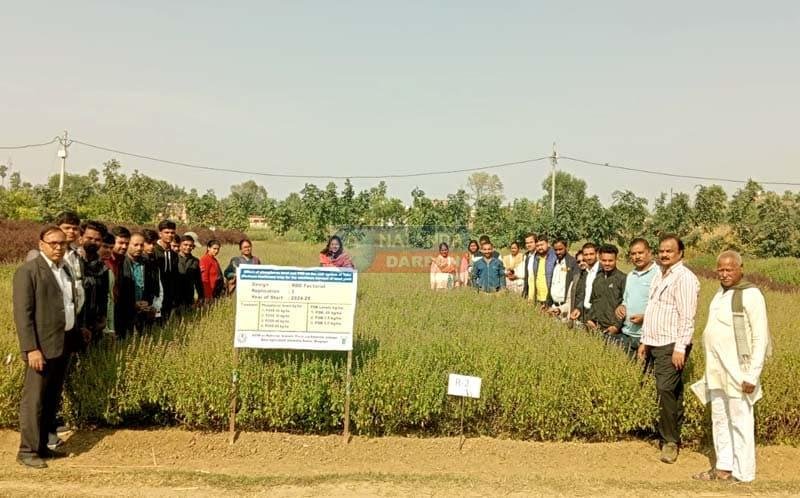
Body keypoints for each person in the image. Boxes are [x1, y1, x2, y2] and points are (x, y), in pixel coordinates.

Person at [692, 250, 770, 483]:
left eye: (729, 270)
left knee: (740, 420)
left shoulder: (751, 294)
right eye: (721, 270)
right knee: (719, 418)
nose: (724, 274)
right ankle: (723, 467)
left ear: (741, 269)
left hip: (739, 371)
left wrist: (752, 375)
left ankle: (744, 473)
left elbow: (760, 337)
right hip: (716, 370)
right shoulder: (720, 293)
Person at [13, 226, 77, 468]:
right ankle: (27, 451)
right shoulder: (28, 272)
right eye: (53, 243)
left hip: (62, 344)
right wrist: (31, 349)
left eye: (62, 243)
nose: (59, 247)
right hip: (40, 348)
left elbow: (67, 304)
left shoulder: (65, 270)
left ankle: (41, 446)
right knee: (34, 400)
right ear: (41, 244)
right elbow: (23, 315)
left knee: (50, 399)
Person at [637, 234, 700, 464]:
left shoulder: (684, 278)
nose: (664, 254)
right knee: (670, 391)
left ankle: (670, 442)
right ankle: (669, 433)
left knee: (666, 390)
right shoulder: (660, 275)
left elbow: (687, 317)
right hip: (655, 341)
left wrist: (680, 348)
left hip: (671, 343)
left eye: (669, 251)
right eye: (662, 251)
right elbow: (652, 309)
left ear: (680, 253)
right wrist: (645, 340)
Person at [613, 239, 657, 358]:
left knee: (647, 373)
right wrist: (621, 307)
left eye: (640, 253)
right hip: (627, 334)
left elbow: (662, 307)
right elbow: (626, 300)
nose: (637, 256)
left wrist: (645, 318)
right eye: (633, 254)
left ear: (649, 253)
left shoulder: (658, 274)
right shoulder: (631, 276)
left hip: (647, 337)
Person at [77, 220, 110, 344]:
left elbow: (104, 295)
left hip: (93, 323)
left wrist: (103, 317)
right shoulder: (72, 262)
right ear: (80, 238)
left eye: (97, 240)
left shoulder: (102, 267)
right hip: (75, 323)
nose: (93, 242)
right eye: (89, 238)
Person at [120, 232, 159, 332]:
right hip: (125, 311)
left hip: (144, 309)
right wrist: (132, 303)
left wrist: (148, 303)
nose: (139, 248)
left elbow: (151, 285)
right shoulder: (121, 262)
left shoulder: (147, 263)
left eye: (141, 245)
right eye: (135, 245)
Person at [585, 244, 627, 336]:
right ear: (600, 259)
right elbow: (593, 301)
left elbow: (625, 305)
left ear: (616, 260)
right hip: (595, 327)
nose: (607, 263)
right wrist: (589, 319)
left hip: (613, 330)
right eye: (604, 260)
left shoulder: (622, 279)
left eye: (610, 260)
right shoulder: (598, 278)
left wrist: (616, 326)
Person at [104, 226, 132, 337]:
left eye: (127, 243)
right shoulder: (106, 261)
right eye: (120, 243)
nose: (124, 247)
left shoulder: (122, 260)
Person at [547, 239, 579, 320]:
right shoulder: (555, 263)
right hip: (554, 307)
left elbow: (575, 285)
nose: (558, 252)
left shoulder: (572, 263)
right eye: (556, 250)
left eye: (560, 249)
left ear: (566, 248)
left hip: (565, 309)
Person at [153, 220, 179, 320]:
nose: (170, 235)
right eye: (166, 232)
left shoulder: (174, 254)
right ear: (160, 233)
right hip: (156, 293)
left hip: (169, 294)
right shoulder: (154, 251)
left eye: (172, 233)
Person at [569, 243, 599, 326]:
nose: (589, 257)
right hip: (583, 314)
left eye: (591, 254)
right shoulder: (586, 273)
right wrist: (578, 308)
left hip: (595, 317)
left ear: (597, 254)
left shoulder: (601, 272)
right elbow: (585, 296)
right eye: (586, 255)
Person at [176, 235, 204, 310]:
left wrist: (201, 296)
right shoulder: (174, 258)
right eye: (185, 245)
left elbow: (198, 280)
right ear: (180, 245)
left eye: (190, 245)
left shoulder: (195, 261)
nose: (188, 247)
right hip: (174, 296)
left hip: (189, 296)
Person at [142, 229, 165, 320]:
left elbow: (158, 284)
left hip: (152, 302)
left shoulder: (154, 260)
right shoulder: (136, 261)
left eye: (154, 244)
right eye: (148, 243)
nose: (151, 246)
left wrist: (157, 305)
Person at [521, 233, 537, 300]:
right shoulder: (527, 256)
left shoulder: (540, 256)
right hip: (529, 290)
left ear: (536, 242)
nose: (528, 245)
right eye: (527, 243)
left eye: (531, 242)